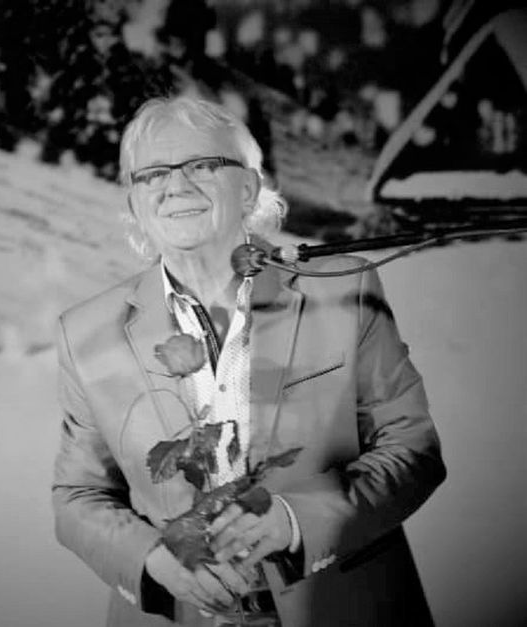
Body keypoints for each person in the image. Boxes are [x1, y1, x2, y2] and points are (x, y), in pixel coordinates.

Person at [51, 95, 446, 626]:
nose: (176, 186)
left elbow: (413, 447)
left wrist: (297, 520)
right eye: (153, 174)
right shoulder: (84, 332)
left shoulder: (344, 292)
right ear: (135, 201)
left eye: (202, 165)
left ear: (249, 189)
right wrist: (151, 559)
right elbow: (78, 497)